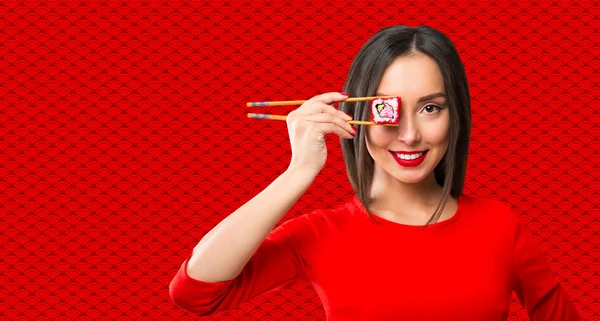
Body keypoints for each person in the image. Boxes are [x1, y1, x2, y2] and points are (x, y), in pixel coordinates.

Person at [169, 25, 582, 320]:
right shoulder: (320, 233)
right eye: (389, 109)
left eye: (431, 108)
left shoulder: (499, 226)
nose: (409, 134)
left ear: (456, 116)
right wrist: (297, 173)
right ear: (357, 114)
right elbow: (194, 293)